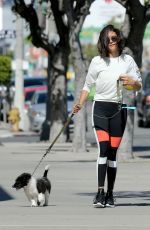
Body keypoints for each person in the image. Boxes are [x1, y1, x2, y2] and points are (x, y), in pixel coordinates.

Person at [72, 24, 142, 208]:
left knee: (112, 154)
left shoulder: (127, 60)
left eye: (115, 38)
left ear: (119, 39)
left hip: (119, 110)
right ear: (103, 41)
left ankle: (110, 194)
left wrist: (133, 82)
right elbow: (87, 85)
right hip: (100, 109)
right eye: (108, 38)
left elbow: (138, 85)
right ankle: (100, 192)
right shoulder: (97, 62)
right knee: (103, 150)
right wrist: (80, 102)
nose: (112, 41)